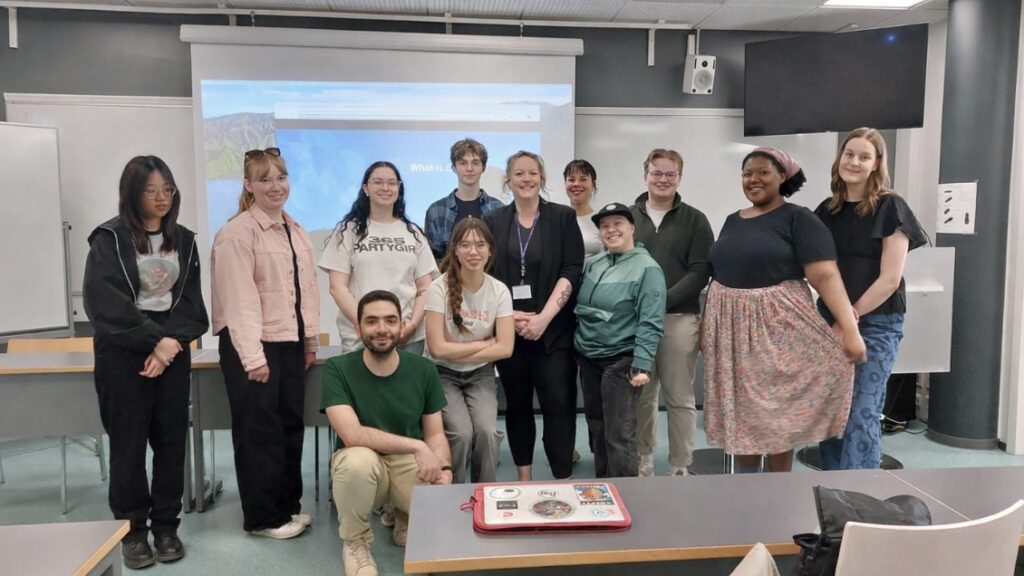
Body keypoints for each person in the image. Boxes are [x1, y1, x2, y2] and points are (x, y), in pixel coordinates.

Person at [702, 147, 866, 473]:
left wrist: (850, 329)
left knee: (776, 412)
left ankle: (778, 487)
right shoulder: (733, 221)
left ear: (783, 177)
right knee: (745, 414)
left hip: (778, 330)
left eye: (763, 172)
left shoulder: (798, 218)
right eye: (747, 173)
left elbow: (825, 275)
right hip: (733, 332)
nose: (753, 179)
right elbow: (719, 272)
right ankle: (747, 486)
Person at [83, 155, 209, 569]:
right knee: (129, 445)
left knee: (171, 443)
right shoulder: (109, 238)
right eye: (151, 190)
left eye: (167, 190)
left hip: (172, 351)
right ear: (133, 193)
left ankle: (167, 527)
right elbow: (105, 305)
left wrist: (170, 343)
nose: (161, 198)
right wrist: (156, 343)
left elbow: (191, 304)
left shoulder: (185, 240)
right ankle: (133, 532)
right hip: (124, 355)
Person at [211, 147, 320, 539]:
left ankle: (287, 508)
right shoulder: (236, 233)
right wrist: (253, 358)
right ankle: (262, 518)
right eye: (265, 180)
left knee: (290, 426)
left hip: (289, 342)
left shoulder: (295, 228)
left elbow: (305, 292)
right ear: (248, 185)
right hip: (252, 346)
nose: (276, 186)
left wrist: (309, 342)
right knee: (259, 431)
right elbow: (240, 301)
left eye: (281, 178)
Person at [815, 128, 928, 470]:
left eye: (864, 156)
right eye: (849, 154)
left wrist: (850, 316)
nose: (854, 162)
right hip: (829, 321)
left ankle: (861, 495)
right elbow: (817, 269)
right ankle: (834, 491)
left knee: (862, 411)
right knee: (832, 414)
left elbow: (890, 279)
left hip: (876, 323)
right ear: (840, 159)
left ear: (877, 163)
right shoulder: (827, 210)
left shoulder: (890, 206)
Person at [322, 290, 453, 576]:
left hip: (408, 466)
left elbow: (435, 435)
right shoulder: (337, 368)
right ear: (357, 328)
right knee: (356, 461)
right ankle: (355, 543)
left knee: (440, 525)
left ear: (401, 326)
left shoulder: (424, 369)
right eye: (371, 321)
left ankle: (403, 514)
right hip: (370, 467)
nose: (381, 329)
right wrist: (416, 447)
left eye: (390, 321)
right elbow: (352, 435)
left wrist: (443, 468)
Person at [484, 151, 585, 481]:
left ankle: (561, 476)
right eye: (518, 173)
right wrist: (508, 316)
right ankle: (524, 476)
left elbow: (572, 269)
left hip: (553, 332)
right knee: (517, 407)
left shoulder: (562, 218)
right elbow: (487, 273)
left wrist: (543, 318)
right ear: (508, 180)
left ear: (542, 178)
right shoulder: (495, 221)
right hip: (510, 333)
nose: (526, 179)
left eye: (532, 173)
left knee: (559, 405)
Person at [630, 148, 714, 477]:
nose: (663, 179)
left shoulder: (695, 219)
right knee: (641, 394)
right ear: (645, 175)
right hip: (636, 322)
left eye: (670, 174)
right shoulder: (628, 217)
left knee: (679, 396)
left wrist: (661, 301)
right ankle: (643, 458)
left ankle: (681, 463)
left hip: (680, 318)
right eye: (656, 172)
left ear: (679, 177)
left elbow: (700, 271)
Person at [574, 202, 666, 478]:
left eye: (617, 224)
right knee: (597, 426)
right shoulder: (594, 263)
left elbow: (650, 321)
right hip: (589, 357)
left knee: (619, 433)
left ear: (631, 228)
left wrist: (641, 364)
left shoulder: (647, 268)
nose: (610, 230)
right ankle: (604, 488)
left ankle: (625, 494)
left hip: (621, 359)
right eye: (604, 226)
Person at [424, 217, 514, 483]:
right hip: (442, 374)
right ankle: (455, 492)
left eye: (480, 245)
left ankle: (484, 492)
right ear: (455, 250)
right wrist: (485, 345)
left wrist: (461, 349)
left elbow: (506, 348)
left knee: (486, 431)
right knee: (461, 433)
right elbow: (437, 349)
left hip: (480, 374)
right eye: (465, 245)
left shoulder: (499, 291)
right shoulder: (437, 288)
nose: (473, 252)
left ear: (490, 251)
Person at [320, 161, 437, 355]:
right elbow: (337, 287)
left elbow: (425, 287)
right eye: (378, 182)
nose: (385, 188)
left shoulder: (413, 233)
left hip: (407, 336)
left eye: (391, 183)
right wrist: (366, 323)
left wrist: (413, 325)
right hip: (359, 337)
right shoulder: (347, 231)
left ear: (399, 189)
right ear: (366, 188)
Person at [424, 138, 505, 260]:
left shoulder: (498, 208)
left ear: (483, 168)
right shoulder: (437, 211)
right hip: (449, 277)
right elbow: (433, 260)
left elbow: (500, 254)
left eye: (475, 163)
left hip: (489, 277)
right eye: (463, 163)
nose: (469, 168)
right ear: (454, 167)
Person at [564, 159, 602, 258]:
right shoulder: (558, 219)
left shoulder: (602, 220)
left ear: (593, 185)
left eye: (583, 179)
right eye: (571, 180)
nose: (576, 184)